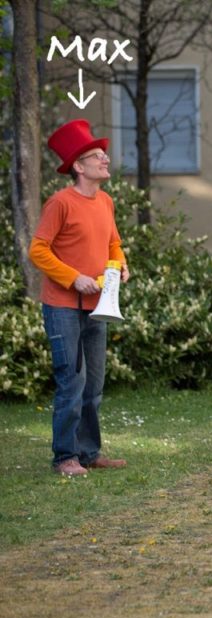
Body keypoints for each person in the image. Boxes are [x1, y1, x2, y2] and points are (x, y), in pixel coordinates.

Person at [29, 119, 130, 476]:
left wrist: (120, 265)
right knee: (72, 382)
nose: (105, 160)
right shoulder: (60, 203)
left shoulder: (105, 201)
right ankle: (65, 458)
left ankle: (88, 453)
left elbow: (113, 242)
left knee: (94, 385)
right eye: (97, 156)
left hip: (99, 307)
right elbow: (38, 250)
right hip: (63, 308)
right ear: (78, 166)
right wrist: (75, 279)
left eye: (104, 155)